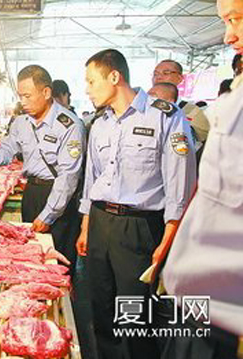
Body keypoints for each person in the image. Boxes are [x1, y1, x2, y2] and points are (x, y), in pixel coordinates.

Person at [76, 49, 196, 359]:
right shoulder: (99, 125)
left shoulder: (166, 116)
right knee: (101, 310)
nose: (87, 89)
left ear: (114, 77)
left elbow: (179, 186)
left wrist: (167, 241)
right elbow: (93, 180)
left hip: (139, 228)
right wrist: (87, 226)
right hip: (101, 223)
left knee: (135, 317)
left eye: (91, 81)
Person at [160, 0, 243, 357]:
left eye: (236, 18)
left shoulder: (189, 119)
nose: (228, 34)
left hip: (223, 296)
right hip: (201, 288)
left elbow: (184, 170)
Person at [0, 65, 86, 265]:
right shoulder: (21, 122)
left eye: (27, 96)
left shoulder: (70, 125)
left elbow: (68, 177)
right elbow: (8, 148)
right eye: (20, 96)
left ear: (46, 92)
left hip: (59, 198)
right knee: (32, 256)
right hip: (32, 194)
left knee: (58, 260)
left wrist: (48, 215)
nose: (23, 102)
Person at [152, 59, 210, 145]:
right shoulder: (141, 107)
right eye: (155, 74)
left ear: (179, 78)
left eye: (166, 73)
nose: (159, 77)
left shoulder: (193, 111)